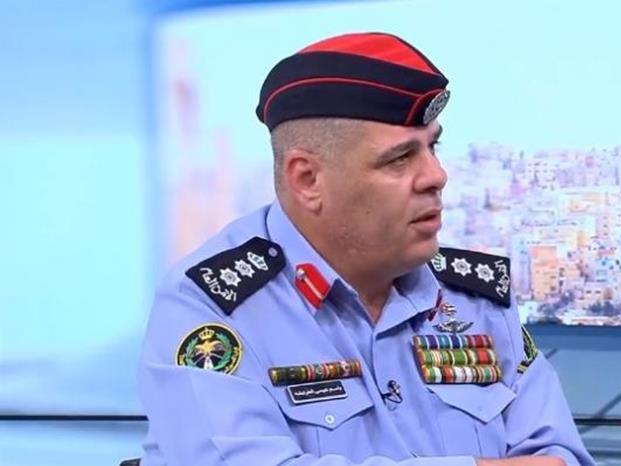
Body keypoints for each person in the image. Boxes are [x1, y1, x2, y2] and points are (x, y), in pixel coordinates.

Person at [137, 32, 595, 466]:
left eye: (433, 147)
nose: (436, 176)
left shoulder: (475, 299)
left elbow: (561, 456)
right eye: (400, 158)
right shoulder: (211, 309)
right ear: (307, 180)